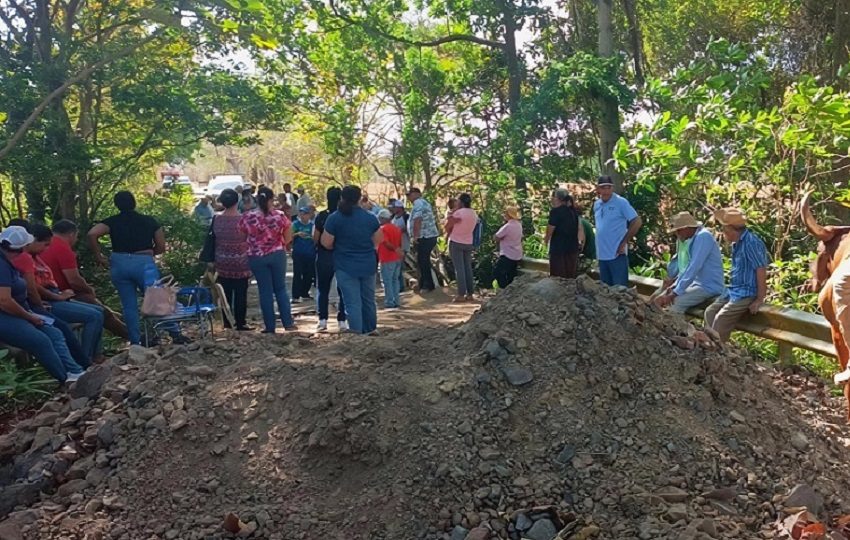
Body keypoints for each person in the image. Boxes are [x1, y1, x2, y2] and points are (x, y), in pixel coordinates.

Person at [87, 191, 189, 346]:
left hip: (119, 263)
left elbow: (92, 233)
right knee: (157, 299)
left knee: (129, 305)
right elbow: (161, 246)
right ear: (134, 202)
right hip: (143, 263)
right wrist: (150, 252)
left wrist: (98, 256)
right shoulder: (149, 221)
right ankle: (174, 333)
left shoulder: (112, 221)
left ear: (117, 204)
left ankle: (136, 341)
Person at [0, 226, 85, 383]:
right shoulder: (2, 265)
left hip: (21, 310)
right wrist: (30, 317)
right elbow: (4, 301)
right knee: (41, 341)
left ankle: (75, 371)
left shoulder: (8, 261)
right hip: (6, 315)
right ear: (20, 248)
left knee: (55, 333)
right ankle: (65, 378)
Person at [14, 224, 105, 363]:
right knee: (94, 316)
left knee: (99, 311)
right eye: (45, 245)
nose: (47, 249)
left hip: (54, 295)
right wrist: (55, 297)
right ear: (33, 241)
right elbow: (33, 287)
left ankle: (95, 356)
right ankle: (85, 359)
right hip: (47, 301)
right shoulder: (24, 258)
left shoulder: (34, 256)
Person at [42, 219, 129, 340]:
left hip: (55, 292)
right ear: (72, 234)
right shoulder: (62, 248)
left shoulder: (44, 244)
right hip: (59, 294)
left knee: (100, 308)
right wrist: (89, 289)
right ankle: (134, 337)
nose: (76, 240)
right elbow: (73, 280)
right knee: (102, 313)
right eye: (76, 236)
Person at [321, 185, 382, 334]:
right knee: (368, 299)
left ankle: (356, 332)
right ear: (359, 198)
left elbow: (326, 242)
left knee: (352, 301)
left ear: (342, 198)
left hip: (345, 265)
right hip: (368, 264)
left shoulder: (334, 218)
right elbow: (379, 240)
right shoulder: (370, 217)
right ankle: (370, 329)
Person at [704, 208, 769, 342]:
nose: (723, 233)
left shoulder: (751, 243)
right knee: (710, 312)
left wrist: (759, 299)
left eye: (725, 230)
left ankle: (718, 351)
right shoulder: (737, 243)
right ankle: (707, 346)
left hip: (747, 292)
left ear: (731, 230)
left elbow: (761, 269)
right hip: (734, 290)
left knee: (720, 320)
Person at [238, 186, 297, 333]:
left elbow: (242, 236)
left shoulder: (248, 217)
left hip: (256, 256)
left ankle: (270, 326)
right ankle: (288, 322)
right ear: (272, 199)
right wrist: (282, 243)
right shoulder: (280, 216)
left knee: (265, 291)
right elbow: (288, 236)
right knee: (281, 288)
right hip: (277, 254)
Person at [654, 212, 725, 314]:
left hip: (709, 286)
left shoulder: (703, 237)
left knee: (674, 303)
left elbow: (694, 267)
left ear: (686, 228)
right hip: (695, 284)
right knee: (660, 298)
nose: (677, 235)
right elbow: (687, 268)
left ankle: (675, 329)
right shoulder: (693, 239)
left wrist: (675, 293)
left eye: (678, 231)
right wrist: (675, 286)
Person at [212, 189, 252, 331]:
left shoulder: (216, 219)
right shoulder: (244, 219)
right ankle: (241, 322)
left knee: (225, 293)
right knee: (241, 293)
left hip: (222, 261)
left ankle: (227, 321)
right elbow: (250, 238)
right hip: (241, 261)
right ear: (237, 201)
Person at [593, 176, 642, 286]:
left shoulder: (621, 202)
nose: (606, 191)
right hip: (602, 255)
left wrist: (624, 241)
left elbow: (637, 221)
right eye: (603, 188)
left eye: (608, 187)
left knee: (619, 290)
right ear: (598, 189)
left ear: (612, 188)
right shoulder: (597, 204)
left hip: (617, 254)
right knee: (605, 290)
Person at [314, 187, 348, 332]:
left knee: (323, 289)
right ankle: (342, 320)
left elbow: (315, 238)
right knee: (343, 289)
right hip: (341, 255)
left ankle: (323, 320)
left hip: (324, 256)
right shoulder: (344, 216)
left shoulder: (321, 216)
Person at [544, 188, 585, 279]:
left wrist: (546, 240)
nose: (551, 199)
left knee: (558, 276)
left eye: (553, 197)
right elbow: (579, 228)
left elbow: (551, 228)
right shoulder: (573, 212)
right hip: (572, 248)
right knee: (570, 275)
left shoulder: (556, 212)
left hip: (559, 248)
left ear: (558, 199)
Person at [445, 193, 478, 301]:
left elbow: (447, 226)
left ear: (461, 202)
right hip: (468, 242)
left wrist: (451, 216)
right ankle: (470, 293)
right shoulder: (473, 213)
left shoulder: (458, 213)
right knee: (467, 268)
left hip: (456, 241)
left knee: (459, 269)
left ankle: (460, 294)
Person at [406, 187, 439, 293]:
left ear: (416, 194)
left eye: (410, 194)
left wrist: (415, 236)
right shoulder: (422, 203)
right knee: (422, 260)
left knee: (422, 260)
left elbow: (418, 220)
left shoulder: (419, 203)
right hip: (427, 236)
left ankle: (427, 285)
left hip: (425, 236)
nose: (408, 197)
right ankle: (426, 284)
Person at [378, 209, 403, 309]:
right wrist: (398, 250)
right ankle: (396, 300)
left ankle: (390, 301)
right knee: (395, 280)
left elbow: (386, 242)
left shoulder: (383, 229)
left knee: (387, 280)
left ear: (383, 218)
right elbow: (399, 242)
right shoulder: (396, 228)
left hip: (387, 257)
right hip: (397, 257)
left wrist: (394, 249)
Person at [493, 206, 523, 288]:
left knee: (498, 272)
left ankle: (504, 288)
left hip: (507, 254)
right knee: (511, 275)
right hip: (516, 254)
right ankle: (511, 290)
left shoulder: (508, 226)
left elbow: (496, 237)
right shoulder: (519, 225)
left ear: (509, 215)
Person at [291, 207, 316, 304]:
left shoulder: (312, 225)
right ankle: (295, 295)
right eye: (301, 214)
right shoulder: (295, 224)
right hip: (298, 253)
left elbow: (315, 237)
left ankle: (305, 292)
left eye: (305, 214)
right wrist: (297, 234)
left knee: (308, 274)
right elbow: (290, 235)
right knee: (297, 274)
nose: (303, 216)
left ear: (309, 215)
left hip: (310, 253)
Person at [390, 200, 410, 291]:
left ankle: (401, 286)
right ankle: (397, 285)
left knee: (399, 266)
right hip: (394, 245)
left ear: (399, 208)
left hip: (403, 244)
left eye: (394, 207)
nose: (393, 209)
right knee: (395, 266)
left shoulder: (406, 217)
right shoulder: (393, 217)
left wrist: (400, 230)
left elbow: (409, 229)